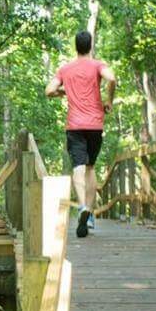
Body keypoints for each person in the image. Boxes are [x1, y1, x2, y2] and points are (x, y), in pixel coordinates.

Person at [45, 30, 116, 238]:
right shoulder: (97, 65)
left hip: (74, 125)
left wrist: (64, 92)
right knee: (91, 167)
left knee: (78, 166)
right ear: (90, 46)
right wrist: (109, 101)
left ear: (76, 46)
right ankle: (90, 214)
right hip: (95, 124)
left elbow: (49, 90)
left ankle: (82, 207)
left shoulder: (65, 69)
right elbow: (111, 79)